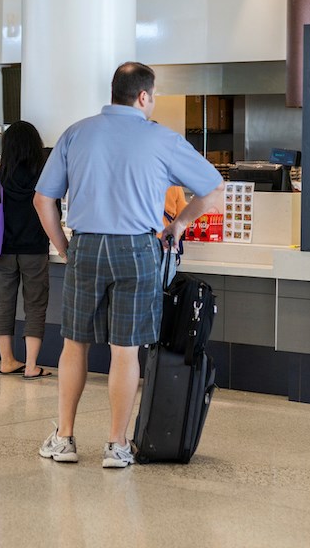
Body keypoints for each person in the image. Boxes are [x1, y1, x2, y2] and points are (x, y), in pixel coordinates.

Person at [33, 62, 225, 468]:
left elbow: (42, 200)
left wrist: (65, 246)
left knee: (74, 344)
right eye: (152, 96)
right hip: (138, 249)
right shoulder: (162, 139)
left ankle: (64, 438)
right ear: (143, 97)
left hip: (85, 246)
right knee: (126, 351)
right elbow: (213, 189)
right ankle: (117, 446)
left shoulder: (76, 133)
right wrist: (179, 224)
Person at [0, 120, 55, 380]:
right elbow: (54, 211)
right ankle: (31, 365)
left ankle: (7, 360)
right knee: (35, 305)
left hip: (3, 250)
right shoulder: (44, 175)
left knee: (4, 303)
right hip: (34, 249)